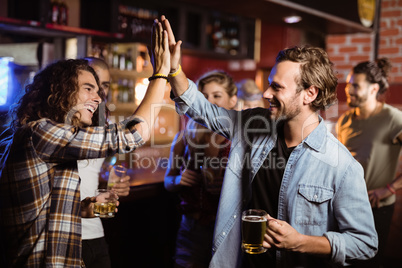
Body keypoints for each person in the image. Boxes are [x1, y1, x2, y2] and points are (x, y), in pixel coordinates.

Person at [159, 15, 378, 267]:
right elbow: (204, 110)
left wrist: (300, 241)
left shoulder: (342, 165)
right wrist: (174, 70)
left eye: (276, 87)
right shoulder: (254, 125)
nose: (266, 93)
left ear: (310, 93)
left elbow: (365, 244)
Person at [0, 20, 170, 267]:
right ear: (61, 91)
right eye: (88, 88)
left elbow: (44, 210)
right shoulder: (41, 133)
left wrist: (83, 208)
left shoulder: (52, 137)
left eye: (100, 89)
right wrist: (161, 74)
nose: (98, 97)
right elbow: (133, 135)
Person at [164, 70, 237, 268]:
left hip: (228, 229)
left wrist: (234, 184)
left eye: (217, 96)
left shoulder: (240, 141)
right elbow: (168, 181)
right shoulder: (184, 137)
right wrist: (178, 180)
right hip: (192, 227)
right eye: (204, 96)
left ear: (232, 101)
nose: (210, 101)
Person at [337, 58, 402, 267]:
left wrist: (390, 188)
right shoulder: (344, 121)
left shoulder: (393, 119)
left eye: (356, 85)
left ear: (374, 89)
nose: (349, 90)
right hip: (345, 207)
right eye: (348, 84)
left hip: (376, 208)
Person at [78, 57, 132, 268]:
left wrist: (107, 181)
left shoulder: (101, 124)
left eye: (105, 85)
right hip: (66, 234)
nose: (99, 92)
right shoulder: (62, 126)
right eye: (91, 85)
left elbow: (88, 172)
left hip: (95, 232)